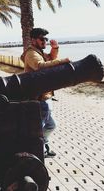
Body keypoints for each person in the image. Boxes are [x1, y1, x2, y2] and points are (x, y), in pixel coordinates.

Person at [21, 28, 70, 158]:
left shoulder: (39, 52)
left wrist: (55, 48)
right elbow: (41, 66)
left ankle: (43, 145)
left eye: (46, 39)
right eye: (42, 39)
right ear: (33, 40)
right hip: (39, 97)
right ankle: (37, 150)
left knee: (51, 125)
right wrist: (63, 61)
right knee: (39, 127)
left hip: (45, 95)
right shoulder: (31, 53)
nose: (45, 41)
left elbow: (50, 59)